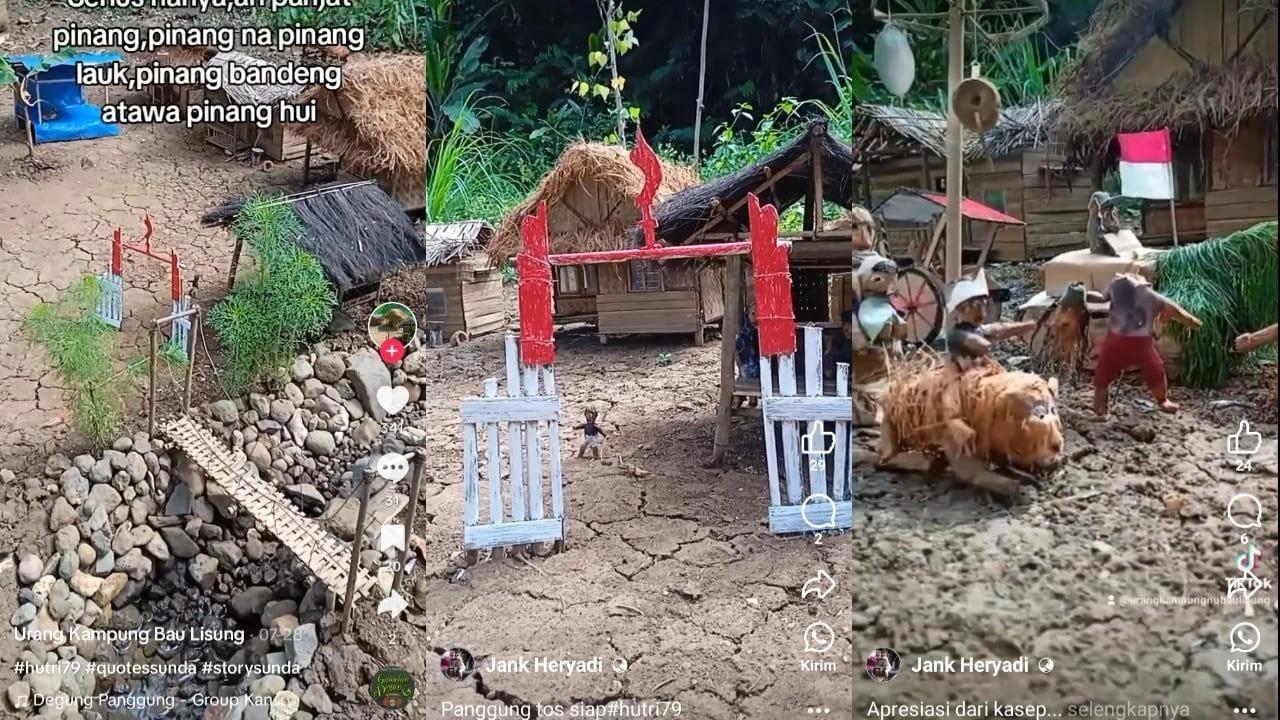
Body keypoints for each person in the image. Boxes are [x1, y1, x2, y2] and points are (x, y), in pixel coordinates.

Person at [1093, 273, 1202, 419]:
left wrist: (1192, 321)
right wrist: (1193, 322)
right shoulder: (1150, 296)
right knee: (1155, 370)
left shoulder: (1116, 287)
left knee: (1105, 373)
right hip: (1135, 342)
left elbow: (1101, 299)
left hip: (1124, 341)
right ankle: (1163, 401)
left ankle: (1102, 410)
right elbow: (1176, 311)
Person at [945, 270, 1035, 371]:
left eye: (984, 302)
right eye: (978, 303)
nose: (984, 308)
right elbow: (980, 341)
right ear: (962, 308)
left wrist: (1030, 325)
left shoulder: (974, 329)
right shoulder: (957, 335)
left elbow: (998, 329)